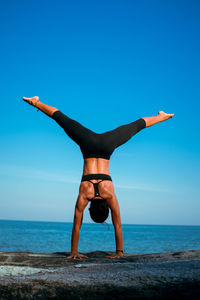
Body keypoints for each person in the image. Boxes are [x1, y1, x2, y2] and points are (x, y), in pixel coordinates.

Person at [22, 96, 174, 259]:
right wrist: (74, 252)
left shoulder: (109, 195)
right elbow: (76, 226)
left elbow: (117, 225)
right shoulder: (85, 196)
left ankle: (161, 117)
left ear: (105, 208)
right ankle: (35, 102)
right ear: (90, 209)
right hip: (87, 144)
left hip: (105, 145)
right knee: (62, 119)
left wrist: (119, 253)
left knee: (134, 126)